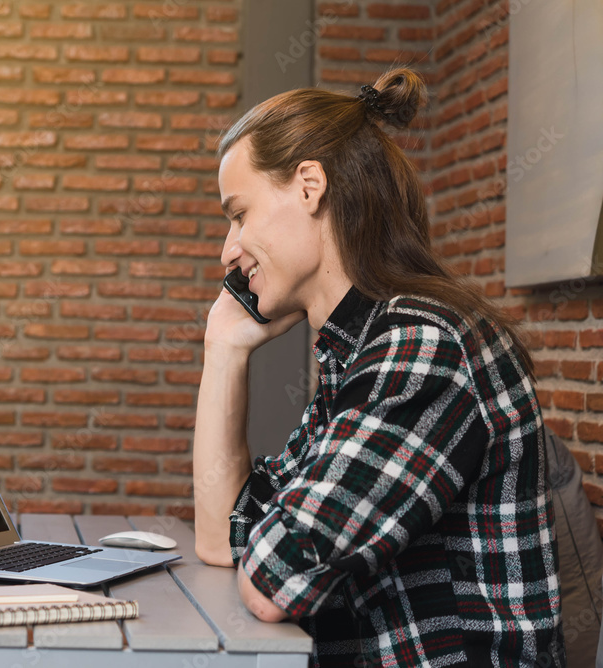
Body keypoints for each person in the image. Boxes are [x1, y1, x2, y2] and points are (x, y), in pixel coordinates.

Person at [194, 67, 565, 667]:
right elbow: (220, 537)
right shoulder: (360, 351)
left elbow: (276, 579)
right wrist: (224, 349)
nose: (227, 251)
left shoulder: (421, 347)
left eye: (238, 214)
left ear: (309, 185)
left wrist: (276, 537)